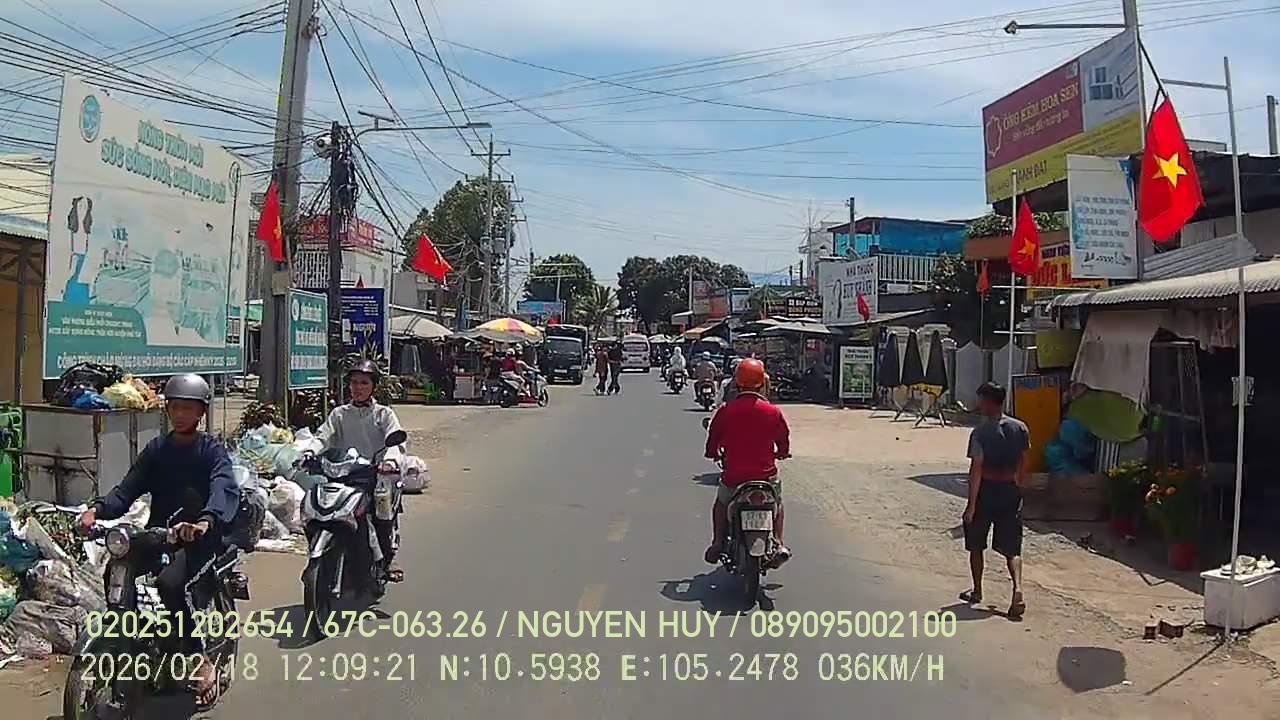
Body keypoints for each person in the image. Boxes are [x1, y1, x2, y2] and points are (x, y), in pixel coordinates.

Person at [78, 374, 238, 707]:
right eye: (174, 407)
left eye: (187, 408)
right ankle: (136, 637)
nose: (179, 414)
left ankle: (197, 657)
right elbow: (127, 489)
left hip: (199, 539)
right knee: (117, 568)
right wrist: (96, 510)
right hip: (160, 534)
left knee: (169, 584)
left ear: (201, 412)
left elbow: (223, 487)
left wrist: (205, 521)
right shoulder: (158, 449)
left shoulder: (211, 451)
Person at [309, 360, 406, 583]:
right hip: (344, 474)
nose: (358, 387)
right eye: (354, 382)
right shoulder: (339, 414)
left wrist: (389, 462)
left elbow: (396, 443)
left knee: (381, 513)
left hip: (376, 475)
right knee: (319, 509)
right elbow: (323, 437)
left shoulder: (384, 414)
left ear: (373, 386)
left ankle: (387, 558)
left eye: (364, 383)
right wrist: (308, 452)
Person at [704, 359, 791, 567]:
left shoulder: (726, 410)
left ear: (737, 382)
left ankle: (717, 542)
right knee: (777, 503)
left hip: (734, 476)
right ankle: (779, 544)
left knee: (721, 504)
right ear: (762, 382)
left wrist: (712, 453)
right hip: (765, 477)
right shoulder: (773, 411)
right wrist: (782, 453)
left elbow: (713, 438)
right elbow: (783, 438)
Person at [960, 382, 1030, 619]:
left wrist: (971, 505)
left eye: (981, 400)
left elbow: (976, 469)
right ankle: (1018, 589)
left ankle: (977, 590)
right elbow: (1023, 461)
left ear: (989, 402)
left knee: (976, 543)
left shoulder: (980, 433)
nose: (979, 404)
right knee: (1012, 547)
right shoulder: (1020, 428)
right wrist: (1019, 484)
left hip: (986, 491)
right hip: (1010, 490)